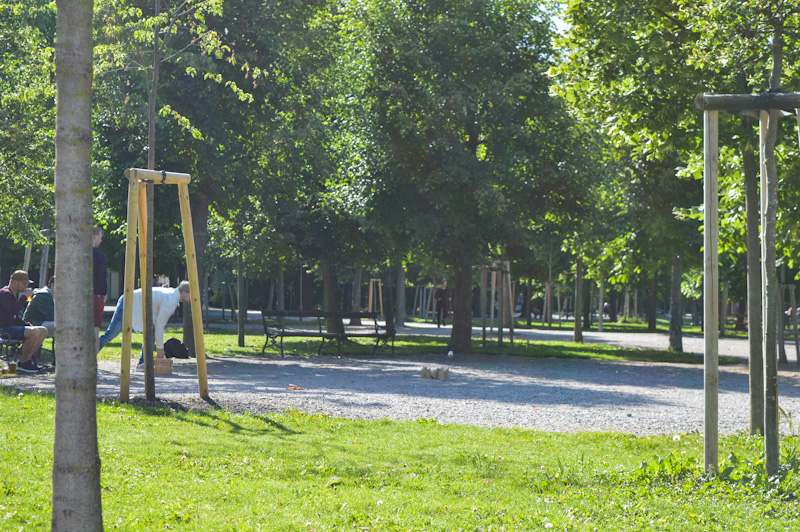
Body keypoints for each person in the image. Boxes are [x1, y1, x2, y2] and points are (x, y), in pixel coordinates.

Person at [98, 281, 191, 371]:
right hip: (128, 302)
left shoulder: (172, 293)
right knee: (111, 334)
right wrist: (160, 350)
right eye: (191, 294)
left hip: (132, 301)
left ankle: (142, 363)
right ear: (184, 292)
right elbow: (160, 325)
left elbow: (156, 311)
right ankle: (91, 356)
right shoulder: (172, 301)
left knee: (152, 334)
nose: (193, 298)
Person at [0, 271, 47, 373]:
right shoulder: (4, 293)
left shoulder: (12, 295)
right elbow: (13, 310)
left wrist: (29, 325)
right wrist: (24, 297)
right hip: (4, 330)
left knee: (43, 330)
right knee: (34, 332)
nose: (26, 286)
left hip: (11, 328)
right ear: (15, 282)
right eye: (24, 283)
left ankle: (26, 360)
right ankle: (24, 363)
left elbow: (15, 318)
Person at [93, 226, 108, 354]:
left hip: (77, 297)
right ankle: (92, 361)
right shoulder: (100, 256)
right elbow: (102, 277)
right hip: (95, 295)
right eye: (100, 237)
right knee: (94, 331)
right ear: (94, 237)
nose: (101, 240)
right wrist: (104, 293)